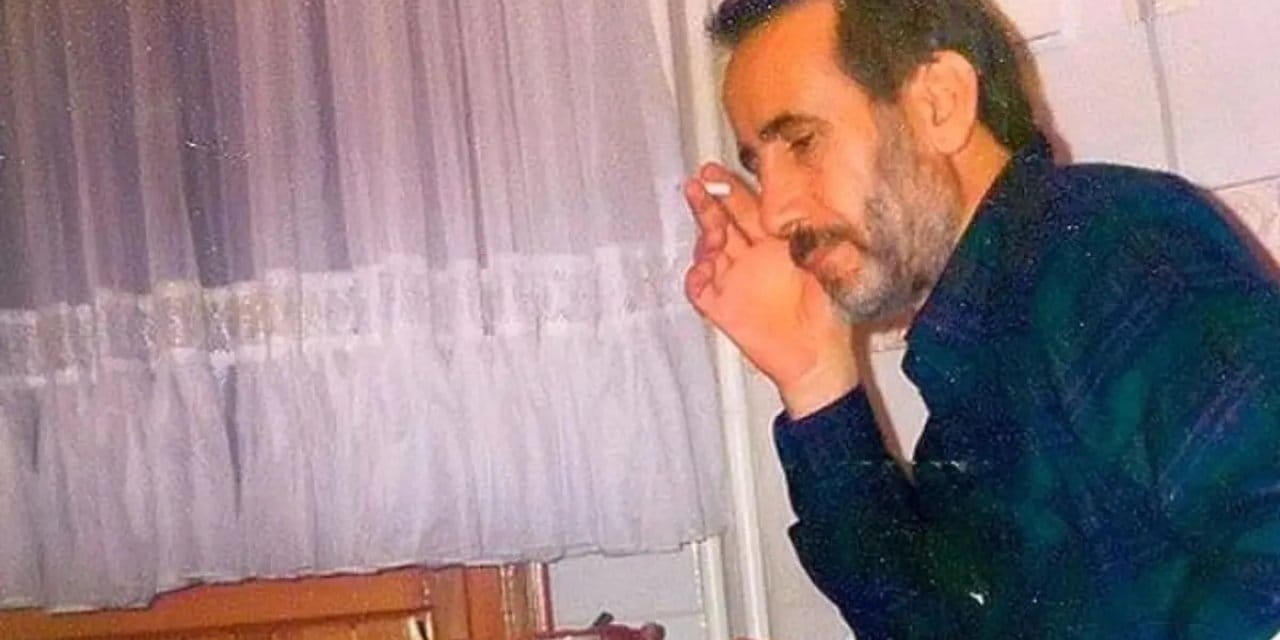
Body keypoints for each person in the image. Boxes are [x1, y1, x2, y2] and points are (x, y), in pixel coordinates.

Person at [681, 0, 1280, 637]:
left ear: (940, 103)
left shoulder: (1113, 248)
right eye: (758, 165)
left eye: (802, 143)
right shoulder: (975, 346)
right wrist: (814, 380)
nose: (775, 212)